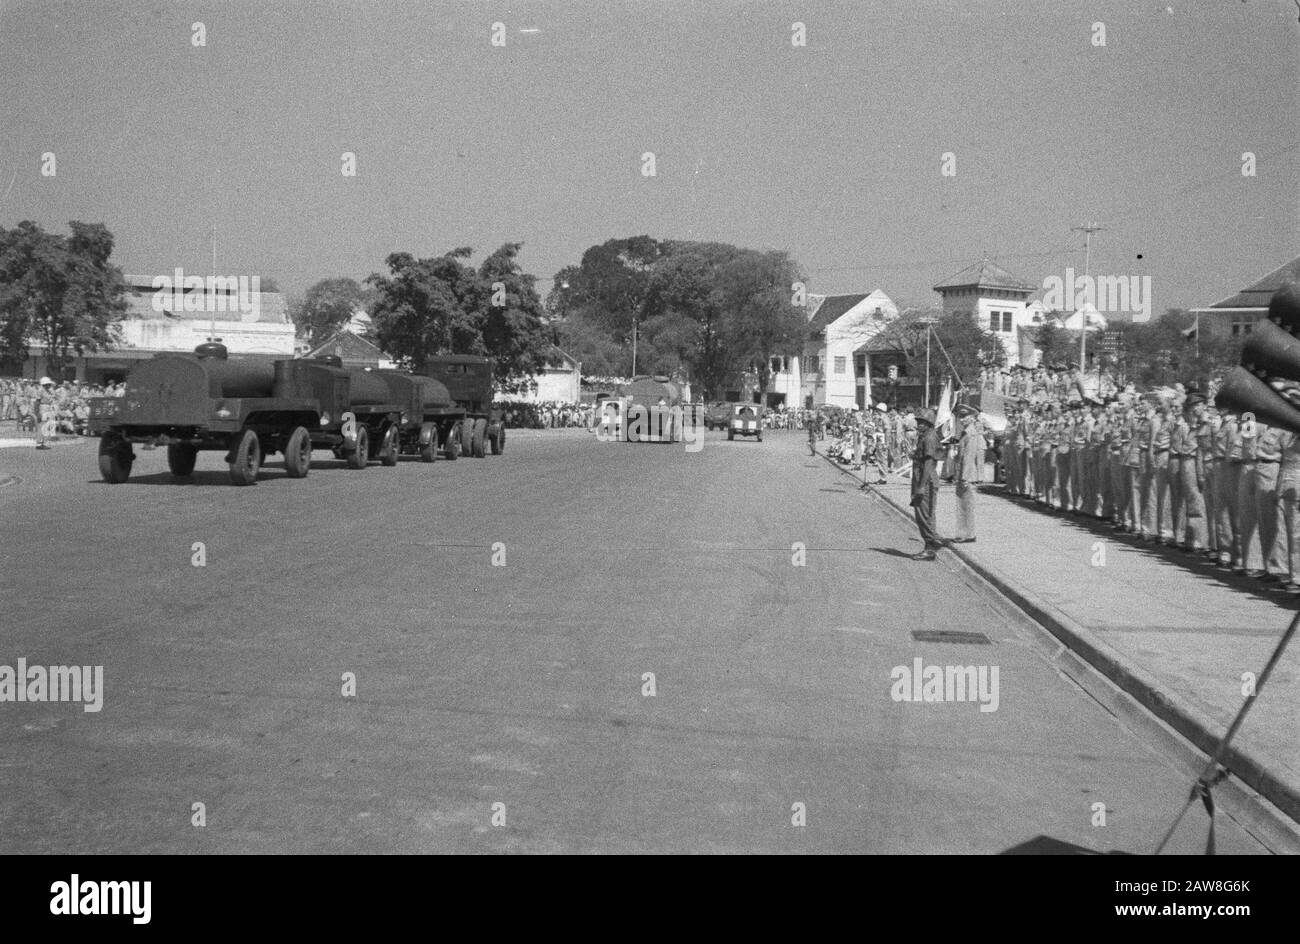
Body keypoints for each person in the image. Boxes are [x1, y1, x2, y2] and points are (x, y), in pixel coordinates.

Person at [909, 408, 944, 561]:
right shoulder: (925, 436)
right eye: (918, 421)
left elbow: (930, 462)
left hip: (926, 480)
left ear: (929, 424)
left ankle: (930, 548)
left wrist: (921, 486)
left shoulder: (930, 437)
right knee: (921, 514)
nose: (918, 424)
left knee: (925, 515)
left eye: (922, 422)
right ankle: (930, 545)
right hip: (921, 477)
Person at [952, 404, 985, 543]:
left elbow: (969, 457)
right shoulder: (966, 432)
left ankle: (968, 534)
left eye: (965, 416)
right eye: (960, 416)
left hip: (967, 475)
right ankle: (965, 533)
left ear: (972, 417)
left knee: (966, 505)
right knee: (962, 505)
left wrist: (964, 477)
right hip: (963, 473)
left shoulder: (970, 433)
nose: (962, 419)